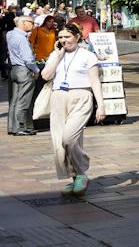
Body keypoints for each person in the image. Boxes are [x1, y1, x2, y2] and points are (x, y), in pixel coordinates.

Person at [41, 26, 103, 196]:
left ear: (77, 36)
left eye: (67, 36)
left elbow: (95, 81)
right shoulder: (56, 55)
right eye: (60, 37)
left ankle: (82, 171)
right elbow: (45, 76)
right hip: (58, 98)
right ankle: (76, 177)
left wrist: (101, 105)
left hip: (81, 97)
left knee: (68, 138)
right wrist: (57, 56)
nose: (63, 40)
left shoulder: (88, 56)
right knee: (60, 143)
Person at [6, 14, 39, 136]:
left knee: (14, 100)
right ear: (23, 23)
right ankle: (20, 127)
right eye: (32, 22)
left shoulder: (10, 34)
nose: (33, 26)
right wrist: (36, 70)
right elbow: (28, 59)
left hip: (14, 69)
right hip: (24, 70)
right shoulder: (22, 38)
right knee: (23, 100)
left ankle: (12, 127)